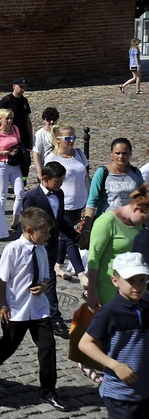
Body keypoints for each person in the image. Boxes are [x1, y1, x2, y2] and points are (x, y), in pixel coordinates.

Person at [0, 207, 66, 411]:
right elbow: (2, 278)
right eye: (45, 232)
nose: (49, 236)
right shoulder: (13, 249)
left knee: (48, 346)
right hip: (16, 307)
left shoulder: (41, 249)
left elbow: (45, 276)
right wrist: (3, 304)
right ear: (29, 230)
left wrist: (43, 286)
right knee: (9, 344)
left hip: (38, 308)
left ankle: (48, 391)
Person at [79, 252, 149, 419]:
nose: (138, 286)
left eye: (142, 280)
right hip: (121, 393)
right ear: (115, 281)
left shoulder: (146, 305)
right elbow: (85, 343)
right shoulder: (110, 312)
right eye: (131, 280)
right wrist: (116, 366)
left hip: (145, 390)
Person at [21, 162, 79, 339]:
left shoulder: (59, 194)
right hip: (35, 248)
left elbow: (59, 221)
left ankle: (53, 317)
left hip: (51, 247)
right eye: (58, 181)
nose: (61, 185)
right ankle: (43, 316)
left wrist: (75, 236)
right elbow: (25, 226)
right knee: (34, 281)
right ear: (45, 179)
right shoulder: (31, 197)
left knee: (49, 280)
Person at [86, 185, 149, 310]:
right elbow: (93, 258)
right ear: (137, 208)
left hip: (131, 283)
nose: (145, 223)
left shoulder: (137, 224)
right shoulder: (107, 221)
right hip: (108, 285)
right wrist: (91, 292)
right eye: (144, 218)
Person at [44, 124, 89, 285]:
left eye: (73, 138)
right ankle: (81, 274)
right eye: (68, 138)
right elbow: (46, 182)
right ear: (59, 139)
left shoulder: (79, 154)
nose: (71, 142)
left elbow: (85, 175)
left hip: (80, 202)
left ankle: (58, 264)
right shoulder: (52, 158)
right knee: (72, 238)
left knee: (64, 236)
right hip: (64, 204)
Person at [81, 138, 144, 247]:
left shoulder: (135, 173)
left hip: (130, 225)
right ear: (111, 154)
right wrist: (86, 230)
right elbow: (92, 202)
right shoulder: (102, 173)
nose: (121, 156)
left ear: (130, 154)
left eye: (125, 153)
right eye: (117, 153)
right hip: (107, 224)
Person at [0, 108, 25, 230]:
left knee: (20, 193)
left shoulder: (15, 129)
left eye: (11, 118)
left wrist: (17, 149)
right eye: (7, 119)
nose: (9, 121)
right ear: (0, 119)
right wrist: (3, 152)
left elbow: (19, 143)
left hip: (14, 164)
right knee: (2, 195)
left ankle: (15, 221)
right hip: (2, 164)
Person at [0, 78, 33, 180]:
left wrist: (30, 137)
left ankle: (23, 181)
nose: (23, 89)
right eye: (21, 87)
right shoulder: (6, 101)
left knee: (25, 160)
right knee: (12, 158)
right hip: (10, 135)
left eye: (24, 87)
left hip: (22, 134)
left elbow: (27, 119)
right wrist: (0, 132)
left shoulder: (24, 101)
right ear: (14, 86)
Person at [32, 108, 59, 181]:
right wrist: (39, 171)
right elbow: (36, 153)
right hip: (47, 168)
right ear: (44, 120)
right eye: (48, 120)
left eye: (54, 120)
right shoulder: (40, 134)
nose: (51, 122)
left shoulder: (60, 132)